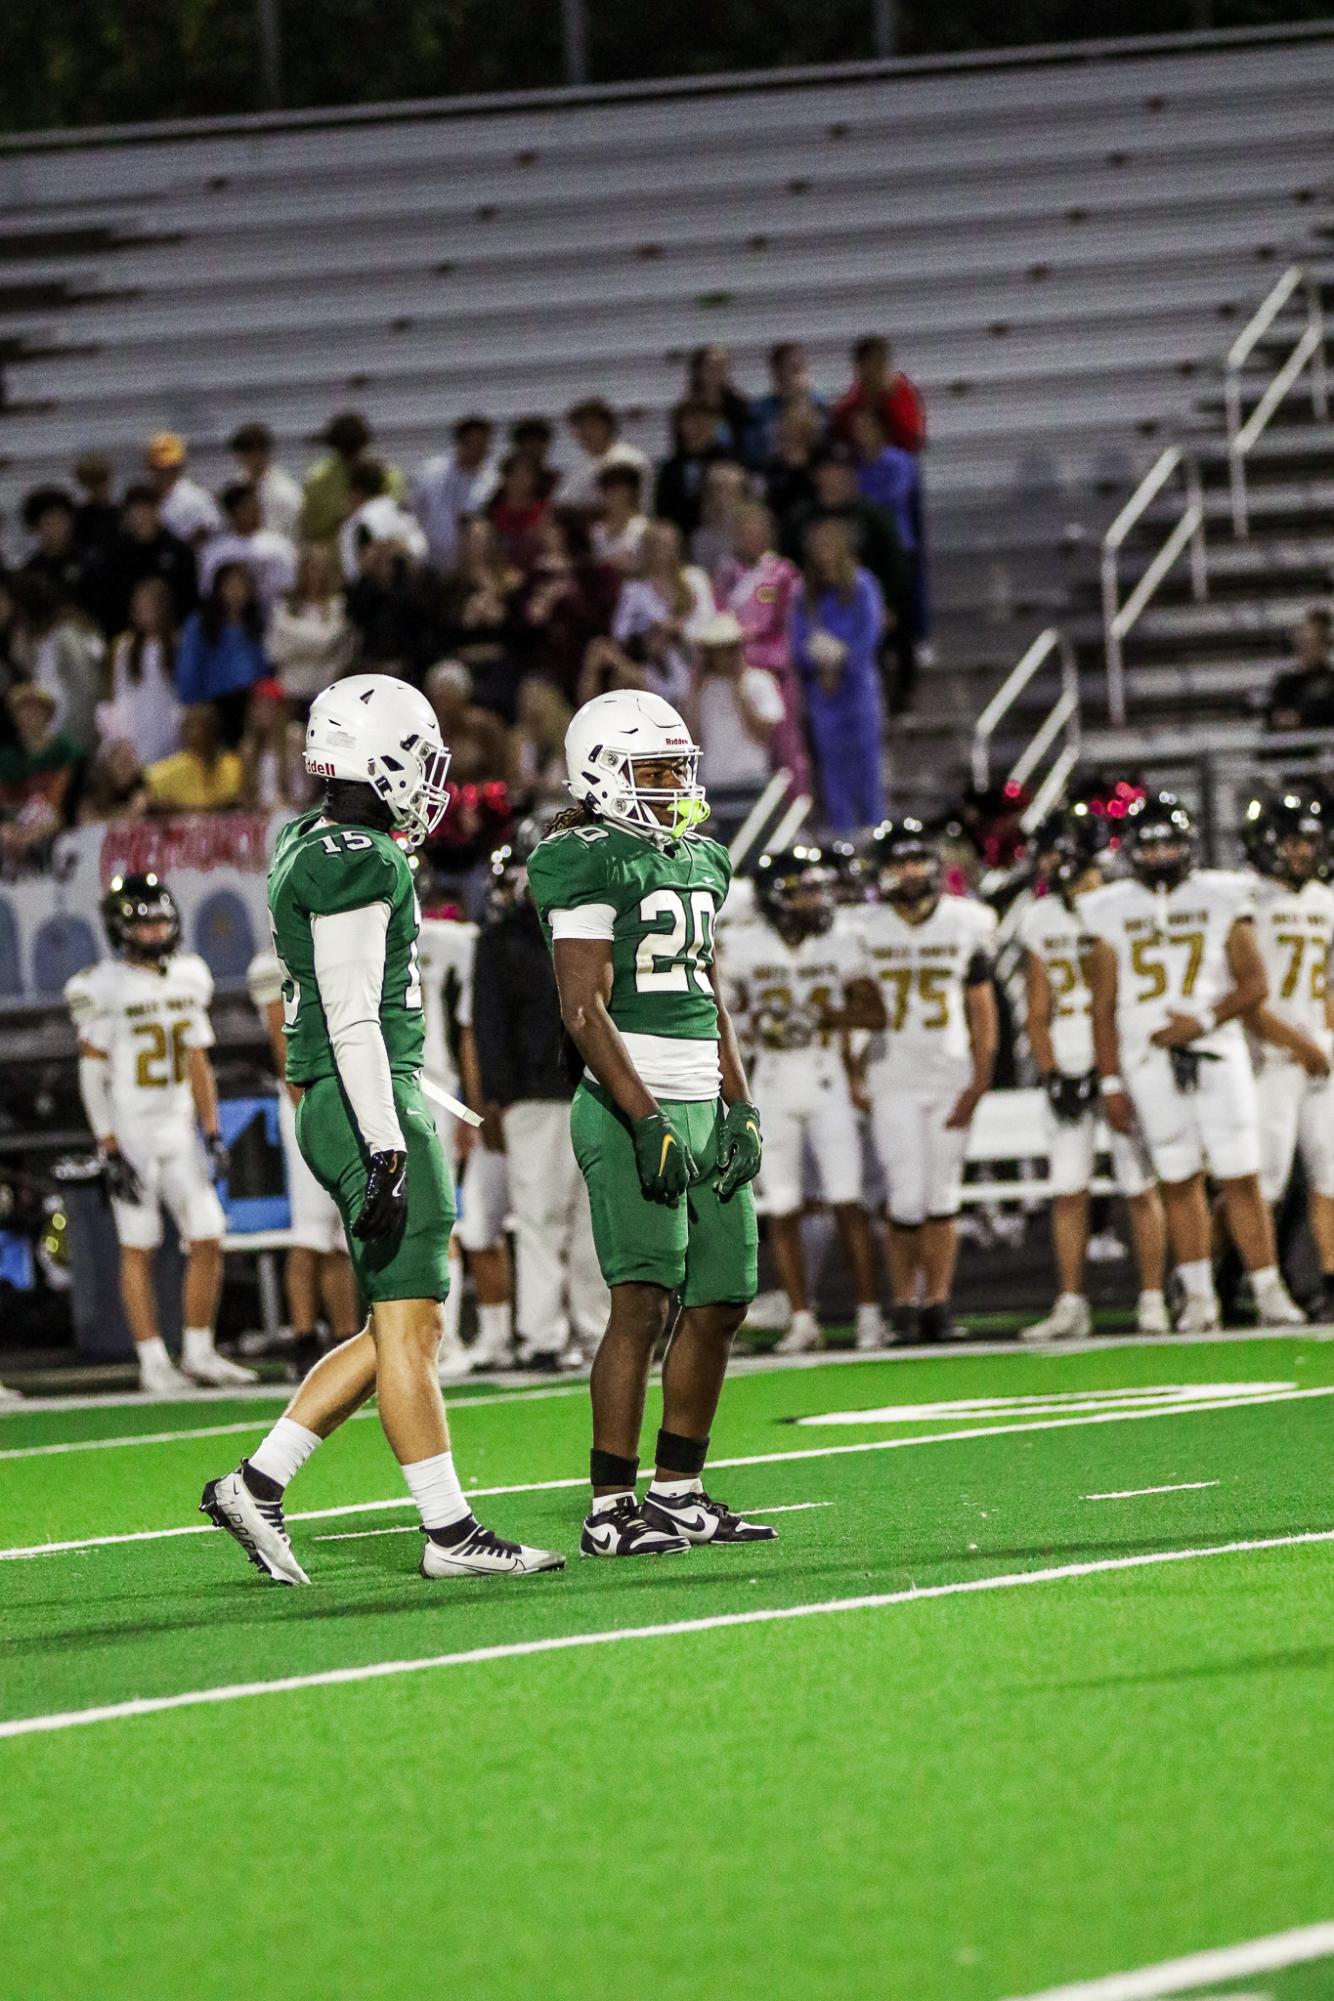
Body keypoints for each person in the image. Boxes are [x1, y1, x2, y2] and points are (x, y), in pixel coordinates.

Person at [201, 673, 563, 1585]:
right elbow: (355, 1015)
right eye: (420, 757)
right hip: (370, 1095)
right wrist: (388, 1141)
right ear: (379, 757)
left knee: (402, 1321)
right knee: (411, 1326)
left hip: (355, 1092)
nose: (431, 779)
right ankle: (449, 1530)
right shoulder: (355, 856)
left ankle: (257, 1481)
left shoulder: (310, 839)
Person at [525, 687, 774, 1556]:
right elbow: (584, 1009)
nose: (675, 786)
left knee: (723, 1297)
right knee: (641, 1304)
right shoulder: (583, 858)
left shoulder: (701, 858)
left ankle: (680, 1488)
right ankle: (608, 1506)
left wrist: (738, 1104)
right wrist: (644, 1119)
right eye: (656, 771)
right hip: (630, 1104)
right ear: (603, 774)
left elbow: (708, 993)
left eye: (679, 769)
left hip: (703, 1100)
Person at [1083, 791, 1305, 1333]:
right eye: (1150, 844)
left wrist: (1201, 1021)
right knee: (1178, 1179)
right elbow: (1103, 1005)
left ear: (1189, 844)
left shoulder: (1224, 895)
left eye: (1169, 842)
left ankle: (1267, 1287)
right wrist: (1110, 1080)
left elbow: (1255, 983)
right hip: (1147, 1058)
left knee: (1241, 1176)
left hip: (1216, 1049)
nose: (1160, 855)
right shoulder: (1109, 907)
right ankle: (1200, 1294)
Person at [65, 873, 252, 1394]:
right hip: (132, 1130)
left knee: (209, 1234)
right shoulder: (102, 984)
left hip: (178, 1129)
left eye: (163, 921)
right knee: (139, 1244)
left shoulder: (190, 975)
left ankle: (198, 1350)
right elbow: (90, 1071)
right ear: (120, 929)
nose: (156, 931)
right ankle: (152, 1359)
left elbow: (198, 1059)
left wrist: (212, 1131)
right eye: (145, 923)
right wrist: (108, 1144)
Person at [720, 846, 885, 1354]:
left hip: (825, 1076)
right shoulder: (742, 946)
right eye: (803, 890)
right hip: (770, 1081)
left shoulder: (842, 940)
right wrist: (751, 1022)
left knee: (847, 1202)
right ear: (775, 898)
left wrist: (826, 1017)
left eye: (818, 888)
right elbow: (720, 1011)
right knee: (784, 1206)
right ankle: (801, 1318)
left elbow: (875, 1012)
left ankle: (869, 1316)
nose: (816, 899)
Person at [1017, 806, 1167, 1342]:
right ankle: (1071, 1302)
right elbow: (1038, 1008)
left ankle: (1153, 1298)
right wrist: (1052, 1070)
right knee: (1068, 1189)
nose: (1046, 862)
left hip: (1124, 1055)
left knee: (1139, 1184)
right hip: (1070, 1058)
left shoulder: (1121, 905)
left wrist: (1114, 1071)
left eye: (1055, 851)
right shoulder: (1041, 917)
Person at [473, 822, 609, 1368]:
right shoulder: (503, 936)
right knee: (537, 1217)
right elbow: (489, 1024)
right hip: (535, 1093)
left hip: (597, 1086)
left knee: (594, 1219)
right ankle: (541, 1334)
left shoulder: (599, 923)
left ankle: (598, 1330)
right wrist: (498, 1099)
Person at [857, 819, 998, 1343]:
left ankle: (936, 1303)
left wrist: (980, 1079)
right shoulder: (863, 927)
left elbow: (983, 1011)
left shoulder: (967, 922)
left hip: (948, 1074)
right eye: (901, 863)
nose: (911, 872)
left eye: (919, 861)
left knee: (941, 1193)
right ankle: (903, 1304)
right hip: (891, 1074)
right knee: (904, 1196)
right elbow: (853, 1009)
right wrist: (854, 1073)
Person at [246, 946, 361, 1380]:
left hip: (343, 1095)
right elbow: (284, 1046)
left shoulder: (335, 945)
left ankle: (345, 1337)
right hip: (309, 1101)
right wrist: (307, 1111)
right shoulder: (273, 965)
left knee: (336, 1231)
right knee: (309, 1229)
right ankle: (303, 1339)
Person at [1240, 790, 1334, 1316]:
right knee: (1261, 1179)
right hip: (1268, 1056)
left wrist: (1323, 1040)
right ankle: (1244, 1277)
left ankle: (1329, 1278)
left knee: (1330, 1171)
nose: (1303, 852)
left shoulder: (1325, 899)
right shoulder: (1249, 900)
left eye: (1309, 841)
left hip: (1317, 1057)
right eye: (1293, 841)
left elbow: (1327, 984)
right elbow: (1249, 991)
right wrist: (1297, 1042)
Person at [790, 519, 886, 831]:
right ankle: (842, 831)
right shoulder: (806, 594)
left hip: (857, 686)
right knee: (833, 765)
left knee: (866, 761)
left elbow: (870, 633)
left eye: (829, 545)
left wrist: (843, 663)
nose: (823, 553)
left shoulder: (862, 585)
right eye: (818, 547)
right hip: (823, 690)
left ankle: (873, 826)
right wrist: (820, 667)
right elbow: (798, 640)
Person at [715, 500, 809, 793]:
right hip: (736, 672)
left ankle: (796, 811)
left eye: (756, 531)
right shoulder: (726, 575)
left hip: (774, 671)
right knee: (746, 747)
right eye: (743, 532)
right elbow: (719, 619)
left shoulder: (783, 573)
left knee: (786, 747)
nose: (750, 538)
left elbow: (787, 622)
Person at [610, 520, 715, 709]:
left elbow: (708, 623)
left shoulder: (694, 580)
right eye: (657, 545)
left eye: (669, 545)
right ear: (646, 549)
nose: (663, 551)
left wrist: (677, 629)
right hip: (650, 670)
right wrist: (649, 633)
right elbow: (620, 632)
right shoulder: (634, 589)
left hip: (692, 666)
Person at [684, 610, 784, 798]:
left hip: (751, 776)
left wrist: (739, 689)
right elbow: (690, 739)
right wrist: (695, 693)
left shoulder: (760, 681)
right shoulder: (702, 689)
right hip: (712, 780)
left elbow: (762, 733)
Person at [9, 575, 105, 752]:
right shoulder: (41, 640)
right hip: (52, 735)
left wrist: (76, 741)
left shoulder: (67, 635)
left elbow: (86, 689)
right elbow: (34, 675)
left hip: (73, 734)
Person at [175, 561, 268, 740]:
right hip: (214, 705)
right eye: (230, 585)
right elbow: (189, 667)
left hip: (250, 705)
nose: (235, 592)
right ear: (218, 589)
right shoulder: (200, 624)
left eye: (241, 586)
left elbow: (265, 666)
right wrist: (192, 704)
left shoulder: (256, 625)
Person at [98, 577, 183, 767]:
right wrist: (118, 734)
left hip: (168, 726)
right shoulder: (124, 646)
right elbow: (116, 692)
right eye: (139, 605)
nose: (143, 611)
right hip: (134, 726)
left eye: (149, 605)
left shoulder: (178, 643)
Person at [0, 684, 84, 861]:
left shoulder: (65, 752)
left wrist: (41, 829)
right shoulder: (7, 757)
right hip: (12, 836)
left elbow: (70, 803)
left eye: (36, 710)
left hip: (59, 835)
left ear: (48, 715)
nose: (30, 717)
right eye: (23, 711)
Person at [266, 543, 355, 708]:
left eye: (322, 569)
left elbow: (332, 642)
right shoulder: (285, 606)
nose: (316, 575)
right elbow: (274, 650)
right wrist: (319, 644)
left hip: (325, 690)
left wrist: (295, 640)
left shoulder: (338, 606)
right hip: (290, 690)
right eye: (312, 568)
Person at [300, 411, 405, 544]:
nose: (351, 456)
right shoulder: (318, 479)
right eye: (345, 449)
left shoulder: (388, 476)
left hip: (378, 550)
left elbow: (394, 521)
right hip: (333, 554)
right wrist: (341, 519)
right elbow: (309, 530)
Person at [410, 415, 498, 571]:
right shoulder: (431, 472)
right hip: (429, 562)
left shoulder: (492, 481)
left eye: (484, 443)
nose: (481, 449)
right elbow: (415, 510)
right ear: (461, 442)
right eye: (475, 443)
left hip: (470, 566)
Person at [107, 484, 198, 632]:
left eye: (145, 509)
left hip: (171, 633)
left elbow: (189, 597)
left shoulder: (179, 551)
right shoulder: (117, 554)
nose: (140, 517)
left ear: (157, 509)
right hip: (130, 633)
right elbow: (113, 598)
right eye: (134, 511)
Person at [200, 482, 298, 613]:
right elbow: (208, 592)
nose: (256, 511)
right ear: (233, 512)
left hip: (274, 617)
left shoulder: (280, 545)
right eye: (248, 507)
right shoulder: (215, 551)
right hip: (233, 621)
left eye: (257, 506)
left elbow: (290, 588)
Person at [21, 485, 107, 626]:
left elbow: (103, 600)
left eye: (61, 520)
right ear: (37, 527)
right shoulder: (33, 569)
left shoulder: (89, 560)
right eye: (49, 523)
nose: (57, 528)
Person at [831, 334, 927, 454]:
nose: (870, 376)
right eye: (864, 369)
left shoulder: (901, 393)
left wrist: (889, 401)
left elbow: (913, 439)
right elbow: (839, 428)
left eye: (875, 367)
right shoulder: (858, 397)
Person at [337, 458, 428, 583]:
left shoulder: (357, 522)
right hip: (410, 588)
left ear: (355, 492)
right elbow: (421, 550)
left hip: (372, 594)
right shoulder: (401, 512)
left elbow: (352, 572)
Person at [144, 703, 245, 813]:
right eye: (191, 727)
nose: (197, 733)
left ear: (215, 730)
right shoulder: (166, 770)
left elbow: (238, 802)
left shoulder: (234, 766)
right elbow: (148, 798)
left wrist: (180, 808)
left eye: (203, 726)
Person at [653, 400, 732, 539]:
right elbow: (663, 511)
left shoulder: (727, 461)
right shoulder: (670, 468)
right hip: (681, 538)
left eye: (703, 421)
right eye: (691, 421)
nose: (698, 427)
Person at [746, 340, 827, 467]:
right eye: (793, 367)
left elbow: (824, 444)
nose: (798, 373)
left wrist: (801, 400)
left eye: (801, 366)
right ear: (777, 372)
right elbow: (753, 453)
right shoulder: (759, 411)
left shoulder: (819, 405)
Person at [561, 398, 652, 510]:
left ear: (608, 426)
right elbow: (564, 502)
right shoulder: (579, 467)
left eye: (592, 425)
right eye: (580, 427)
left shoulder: (629, 459)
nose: (586, 432)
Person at [228, 422, 303, 539]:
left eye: (249, 453)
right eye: (241, 453)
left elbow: (291, 533)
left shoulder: (285, 492)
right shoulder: (237, 486)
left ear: (262, 452)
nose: (244, 459)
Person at [144, 432, 221, 546]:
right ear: (150, 468)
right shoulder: (143, 499)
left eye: (170, 468)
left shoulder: (197, 498)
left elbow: (210, 530)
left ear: (180, 467)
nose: (165, 473)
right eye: (159, 468)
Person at [1265, 608, 1334, 731]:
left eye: (1312, 642)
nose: (1305, 649)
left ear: (1325, 645)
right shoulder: (1286, 681)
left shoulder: (1331, 680)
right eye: (1302, 642)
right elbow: (1272, 712)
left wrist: (1301, 718)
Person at [486, 450, 550, 574]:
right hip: (501, 573)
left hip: (537, 571)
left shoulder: (544, 510)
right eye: (515, 475)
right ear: (504, 478)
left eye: (526, 475)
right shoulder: (492, 512)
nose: (520, 480)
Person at [686, 344, 751, 456]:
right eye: (711, 367)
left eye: (721, 367)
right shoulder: (688, 410)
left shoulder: (739, 407)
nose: (716, 373)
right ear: (698, 371)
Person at [589, 463, 648, 574]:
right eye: (606, 490)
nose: (611, 495)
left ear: (631, 493)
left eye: (617, 490)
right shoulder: (595, 530)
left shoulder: (643, 528)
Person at [78, 738, 148, 824]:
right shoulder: (94, 782)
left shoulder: (137, 777)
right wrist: (123, 812)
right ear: (109, 762)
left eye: (132, 762)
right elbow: (87, 818)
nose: (128, 768)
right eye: (122, 762)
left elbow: (138, 807)